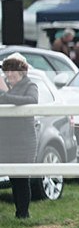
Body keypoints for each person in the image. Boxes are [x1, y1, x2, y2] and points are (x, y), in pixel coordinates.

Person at [0, 53, 39, 219]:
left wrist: (4, 95)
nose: (9, 74)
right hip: (5, 139)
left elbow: (31, 100)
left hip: (23, 141)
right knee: (11, 177)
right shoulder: (6, 86)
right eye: (7, 71)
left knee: (21, 179)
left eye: (12, 71)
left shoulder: (30, 85)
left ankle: (22, 214)